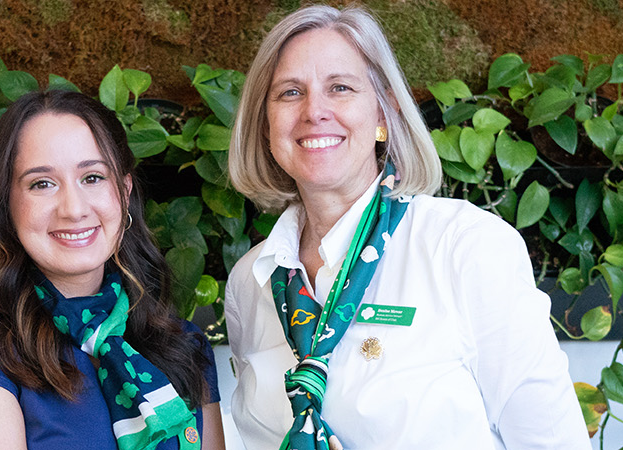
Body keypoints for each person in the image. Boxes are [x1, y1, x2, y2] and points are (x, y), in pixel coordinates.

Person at [221, 5, 589, 450]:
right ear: (264, 123)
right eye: (290, 93)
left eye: (340, 87)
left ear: (383, 113)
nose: (314, 111)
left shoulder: (465, 247)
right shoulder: (250, 281)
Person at [0, 89, 225, 450]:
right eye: (42, 184)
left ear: (124, 192)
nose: (74, 208)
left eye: (93, 177)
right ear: (6, 204)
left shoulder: (183, 344)